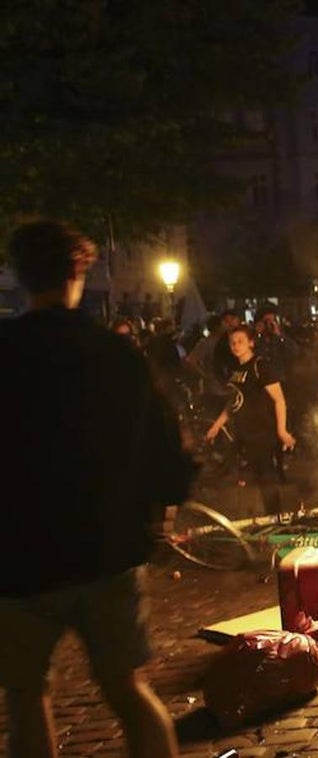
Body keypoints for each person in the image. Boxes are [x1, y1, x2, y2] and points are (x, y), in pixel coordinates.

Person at [0, 220, 194, 758]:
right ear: (78, 272)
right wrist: (165, 507)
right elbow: (162, 440)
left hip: (19, 557)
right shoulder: (114, 353)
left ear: (20, 276)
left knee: (25, 695)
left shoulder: (5, 352)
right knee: (127, 689)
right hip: (105, 548)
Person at [206, 326, 296, 507]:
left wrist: (282, 430)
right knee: (240, 475)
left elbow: (279, 400)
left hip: (261, 432)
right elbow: (234, 400)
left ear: (251, 343)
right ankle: (252, 517)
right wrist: (217, 425)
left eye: (240, 341)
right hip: (242, 433)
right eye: (232, 342)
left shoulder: (260, 366)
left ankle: (275, 519)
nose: (236, 345)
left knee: (266, 478)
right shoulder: (235, 369)